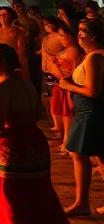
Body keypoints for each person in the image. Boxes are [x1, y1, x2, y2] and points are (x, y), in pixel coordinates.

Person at [0, 43, 66, 223]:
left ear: (2, 62)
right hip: (35, 141)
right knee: (38, 192)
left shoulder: (2, 86)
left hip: (13, 144)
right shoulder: (26, 83)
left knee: (13, 195)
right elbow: (39, 113)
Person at [56, 17, 104, 216]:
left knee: (80, 154)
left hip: (90, 112)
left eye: (83, 31)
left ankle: (81, 202)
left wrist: (68, 86)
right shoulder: (91, 55)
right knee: (96, 156)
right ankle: (81, 202)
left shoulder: (95, 57)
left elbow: (93, 90)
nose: (79, 34)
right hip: (88, 111)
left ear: (93, 36)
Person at [43, 22, 81, 153]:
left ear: (71, 35)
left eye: (62, 35)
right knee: (65, 117)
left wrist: (55, 66)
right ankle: (66, 142)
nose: (60, 38)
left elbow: (72, 72)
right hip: (60, 86)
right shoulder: (66, 50)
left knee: (68, 117)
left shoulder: (74, 51)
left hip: (66, 87)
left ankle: (69, 144)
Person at [0, 7, 23, 74]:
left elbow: (21, 52)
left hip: (10, 66)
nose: (2, 17)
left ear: (11, 16)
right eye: (0, 15)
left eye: (5, 15)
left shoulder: (17, 32)